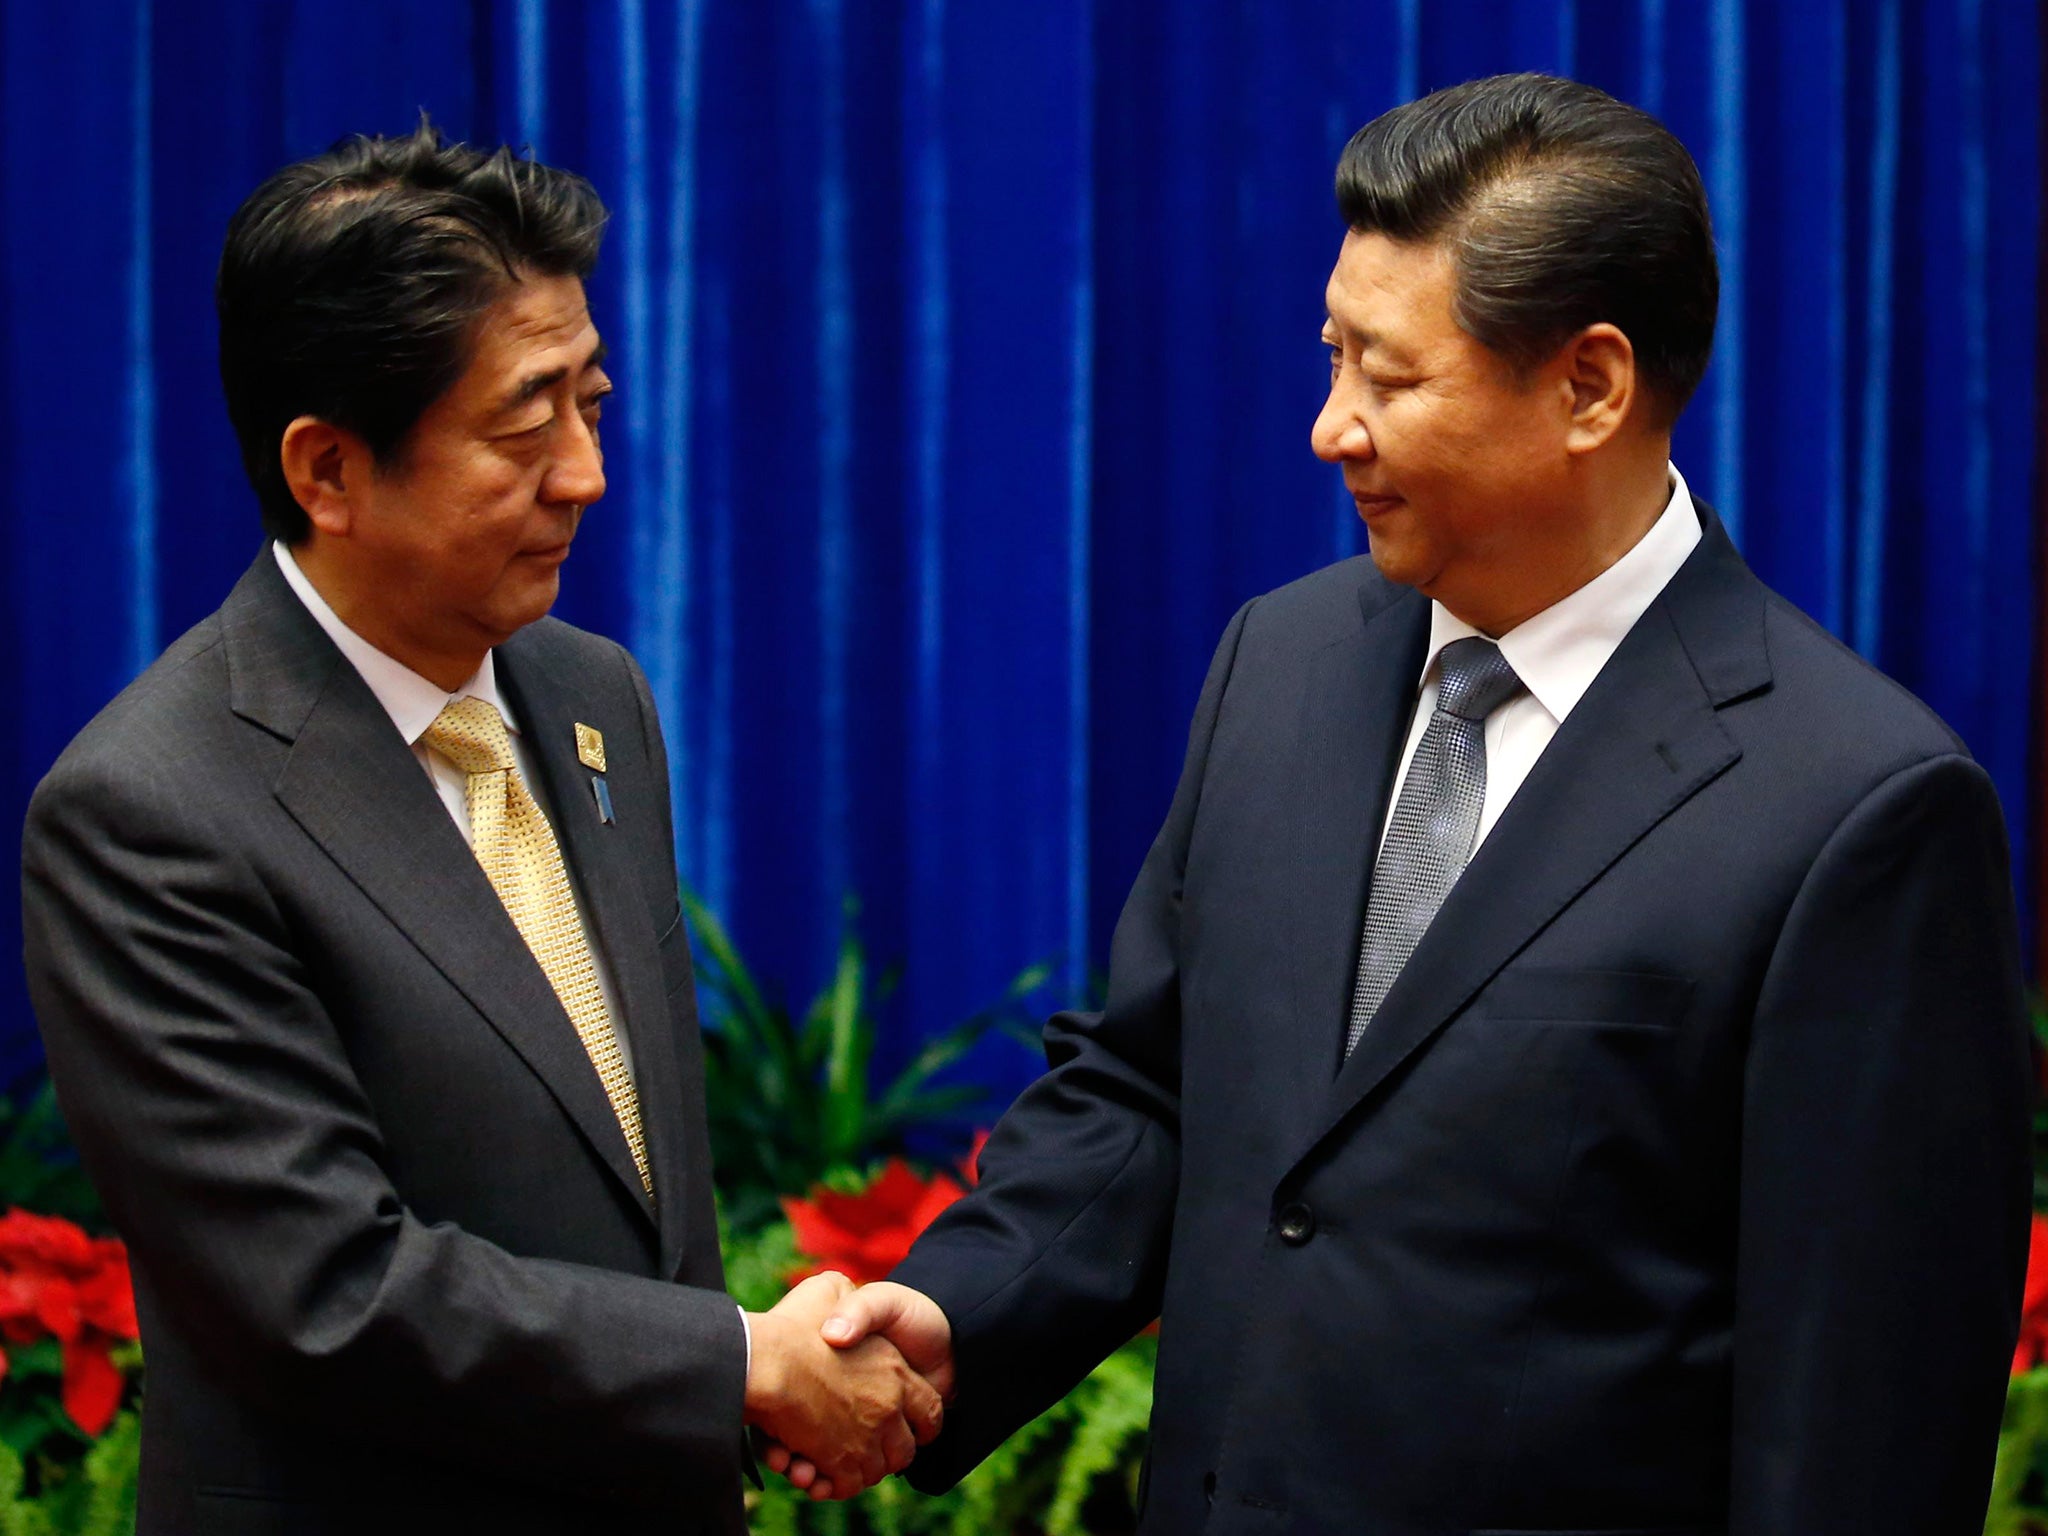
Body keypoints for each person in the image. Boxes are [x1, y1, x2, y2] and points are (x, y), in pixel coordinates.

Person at [799, 73, 2034, 1534]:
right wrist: (959, 1315)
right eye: (1332, 359)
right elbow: (1153, 1085)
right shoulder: (1285, 659)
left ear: (1590, 385)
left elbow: (1861, 1421)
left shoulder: (1859, 809)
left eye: (1389, 378)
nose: (1333, 428)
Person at [20, 123, 938, 1534]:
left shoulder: (589, 692)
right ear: (328, 471)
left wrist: (748, 1367)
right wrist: (738, 1363)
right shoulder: (152, 811)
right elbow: (324, 1292)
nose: (586, 474)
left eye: (593, 403)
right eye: (525, 426)